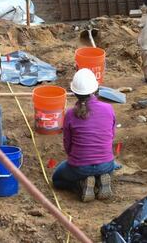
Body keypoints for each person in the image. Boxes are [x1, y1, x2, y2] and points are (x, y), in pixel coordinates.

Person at [52, 69, 116, 202]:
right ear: (95, 88)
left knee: (56, 180)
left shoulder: (70, 114)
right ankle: (100, 180)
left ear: (74, 92)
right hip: (106, 164)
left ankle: (81, 184)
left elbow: (67, 145)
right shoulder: (108, 108)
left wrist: (76, 158)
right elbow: (111, 136)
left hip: (80, 167)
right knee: (109, 165)